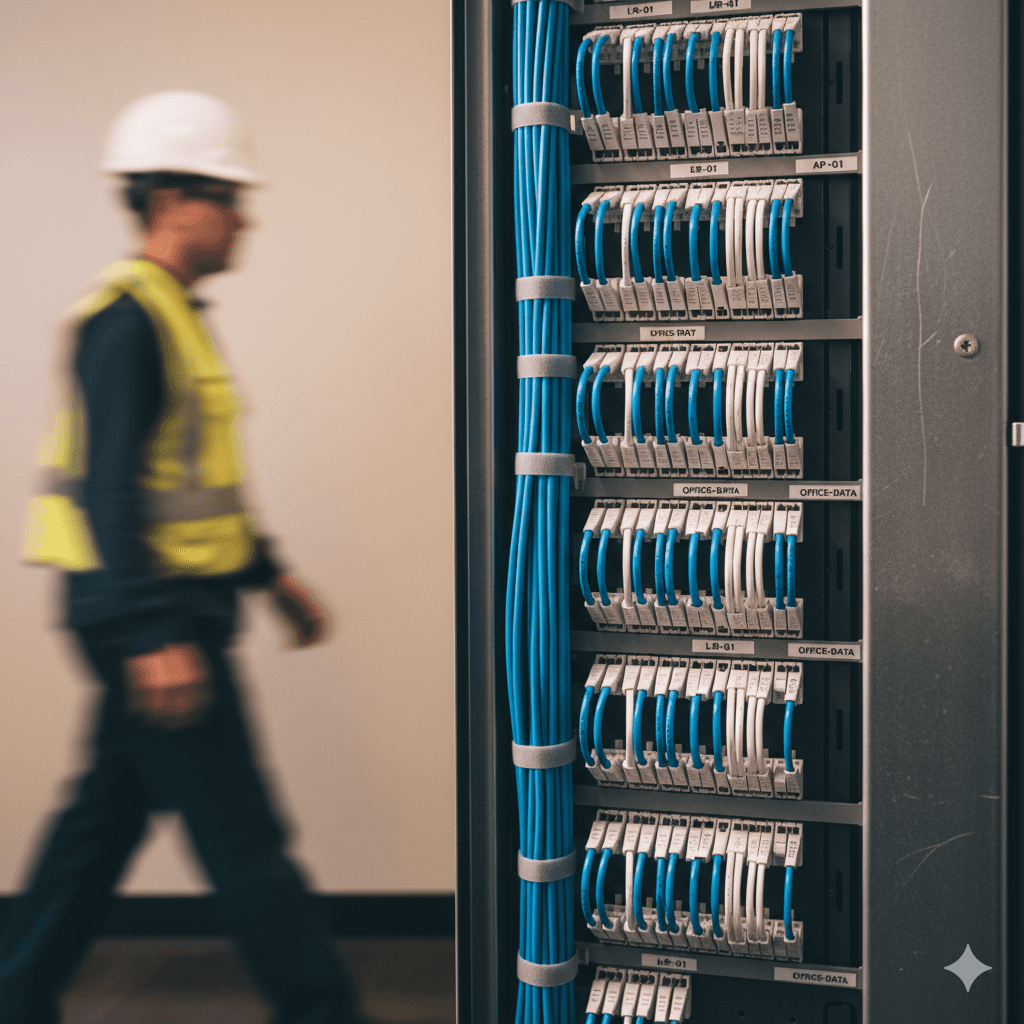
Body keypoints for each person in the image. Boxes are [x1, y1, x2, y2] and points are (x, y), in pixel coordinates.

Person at [2, 91, 372, 1024]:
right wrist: (148, 634)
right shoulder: (125, 321)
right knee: (244, 839)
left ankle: (17, 991)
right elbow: (110, 492)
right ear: (171, 200)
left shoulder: (172, 313)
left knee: (97, 828)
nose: (245, 219)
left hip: (169, 607)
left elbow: (194, 487)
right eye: (229, 197)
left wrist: (269, 576)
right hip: (152, 618)